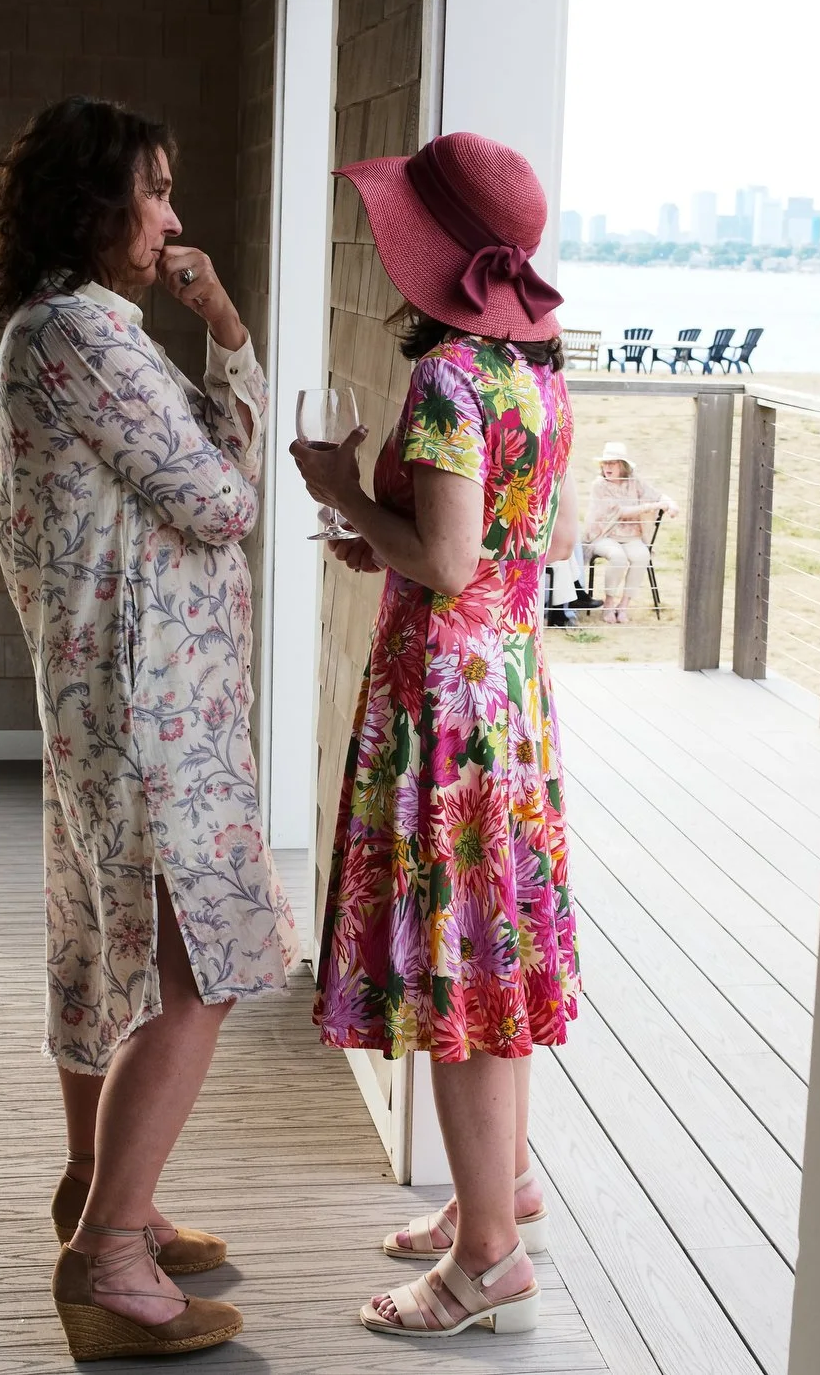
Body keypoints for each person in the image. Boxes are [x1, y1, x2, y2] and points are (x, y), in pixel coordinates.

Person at [0, 95, 296, 1362]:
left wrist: (221, 330)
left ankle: (99, 1188)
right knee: (192, 960)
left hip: (119, 693)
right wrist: (225, 352)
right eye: (153, 192)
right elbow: (225, 500)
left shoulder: (77, 327)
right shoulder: (80, 335)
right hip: (150, 699)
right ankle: (108, 1256)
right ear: (94, 205)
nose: (173, 218)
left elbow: (203, 475)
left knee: (105, 937)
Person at [292, 130, 579, 1340]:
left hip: (446, 714)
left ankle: (487, 1261)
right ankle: (496, 1189)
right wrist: (394, 543)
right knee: (491, 956)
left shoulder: (452, 379)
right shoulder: (538, 370)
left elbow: (450, 560)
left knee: (461, 967)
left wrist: (340, 487)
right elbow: (529, 547)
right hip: (507, 690)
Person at [584, 440, 675, 623]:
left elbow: (657, 494)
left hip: (631, 536)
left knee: (642, 555)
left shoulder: (634, 481)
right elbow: (621, 512)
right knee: (618, 557)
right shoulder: (599, 485)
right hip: (604, 535)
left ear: (622, 465)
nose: (607, 467)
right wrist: (654, 506)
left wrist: (671, 504)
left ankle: (624, 604)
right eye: (605, 463)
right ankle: (609, 602)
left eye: (612, 463)